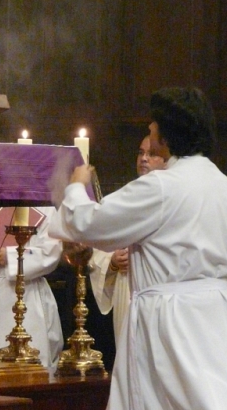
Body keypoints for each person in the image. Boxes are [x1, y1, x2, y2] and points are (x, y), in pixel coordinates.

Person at [49, 87, 227, 410]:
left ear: (168, 133)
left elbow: (91, 223)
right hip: (219, 315)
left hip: (170, 320)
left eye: (153, 125)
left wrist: (76, 187)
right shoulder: (225, 185)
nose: (149, 130)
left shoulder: (162, 187)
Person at [89, 135, 167, 347]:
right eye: (141, 153)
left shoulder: (172, 198)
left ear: (167, 159)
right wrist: (112, 261)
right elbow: (97, 244)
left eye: (151, 154)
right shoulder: (126, 197)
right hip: (127, 287)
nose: (143, 158)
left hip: (159, 294)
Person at [0, 206, 64, 368]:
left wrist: (11, 255)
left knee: (33, 356)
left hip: (29, 292)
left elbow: (51, 253)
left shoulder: (46, 209)